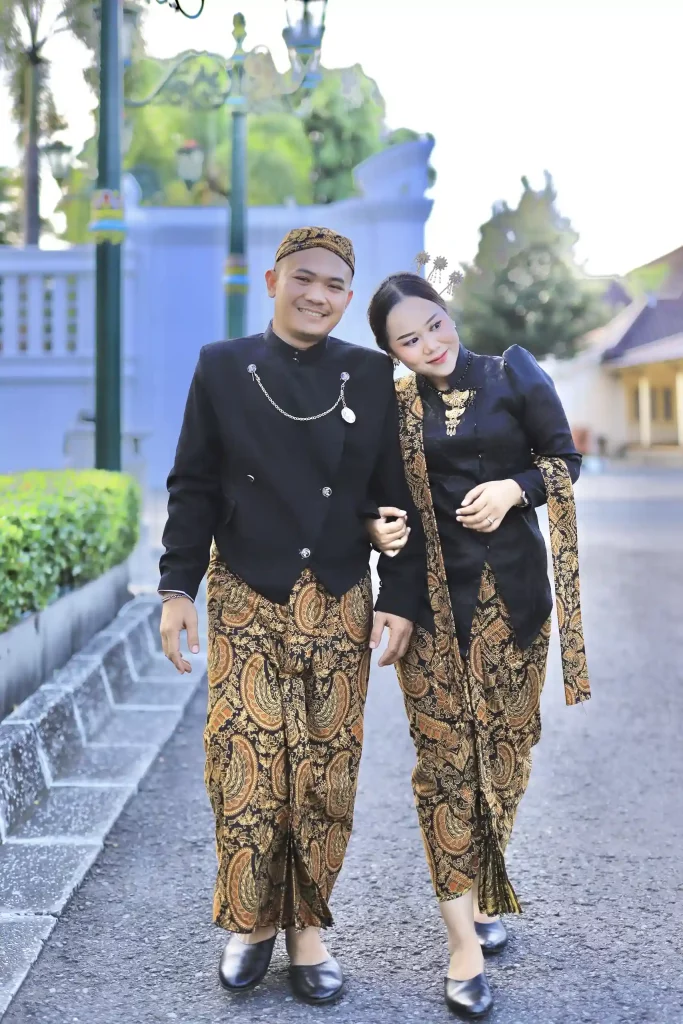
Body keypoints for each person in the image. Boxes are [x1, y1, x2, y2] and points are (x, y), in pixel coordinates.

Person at [157, 228, 426, 1005]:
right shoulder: (221, 365)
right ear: (273, 281)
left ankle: (307, 930)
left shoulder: (370, 374)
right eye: (303, 278)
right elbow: (193, 485)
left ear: (348, 297)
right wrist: (176, 590)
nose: (317, 295)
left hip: (338, 595)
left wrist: (398, 593)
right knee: (244, 766)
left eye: (334, 285)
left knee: (324, 772)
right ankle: (251, 925)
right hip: (247, 591)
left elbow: (395, 496)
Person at [366, 272, 590, 1019]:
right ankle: (462, 943)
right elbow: (381, 498)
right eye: (408, 339)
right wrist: (377, 532)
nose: (429, 344)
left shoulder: (512, 372)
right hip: (431, 608)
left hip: (513, 604)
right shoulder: (394, 407)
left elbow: (564, 461)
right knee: (444, 768)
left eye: (434, 324)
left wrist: (514, 489)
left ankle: (485, 883)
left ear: (447, 312)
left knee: (506, 752)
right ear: (392, 352)